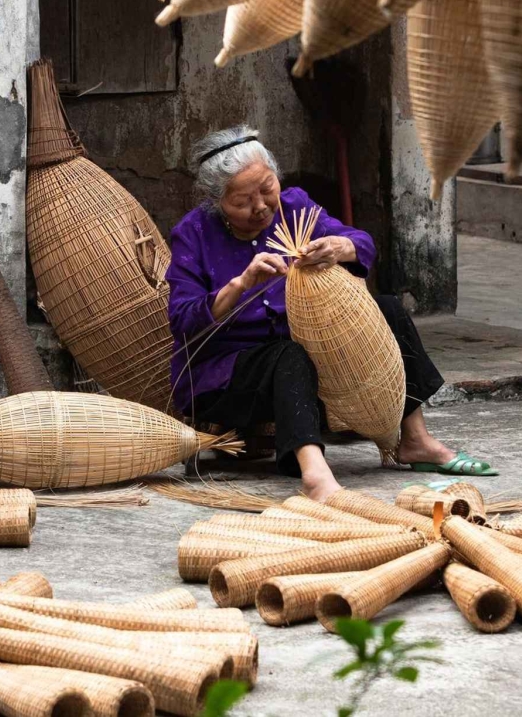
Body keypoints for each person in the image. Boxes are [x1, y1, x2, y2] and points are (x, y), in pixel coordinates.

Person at [165, 126, 495, 501]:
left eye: (267, 188)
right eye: (243, 201)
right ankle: (315, 474)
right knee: (288, 355)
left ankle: (415, 439)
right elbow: (183, 319)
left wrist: (339, 247)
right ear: (217, 202)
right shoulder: (194, 233)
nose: (261, 206)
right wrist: (241, 283)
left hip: (305, 367)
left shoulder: (295, 208)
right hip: (226, 377)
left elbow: (362, 244)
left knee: (386, 308)